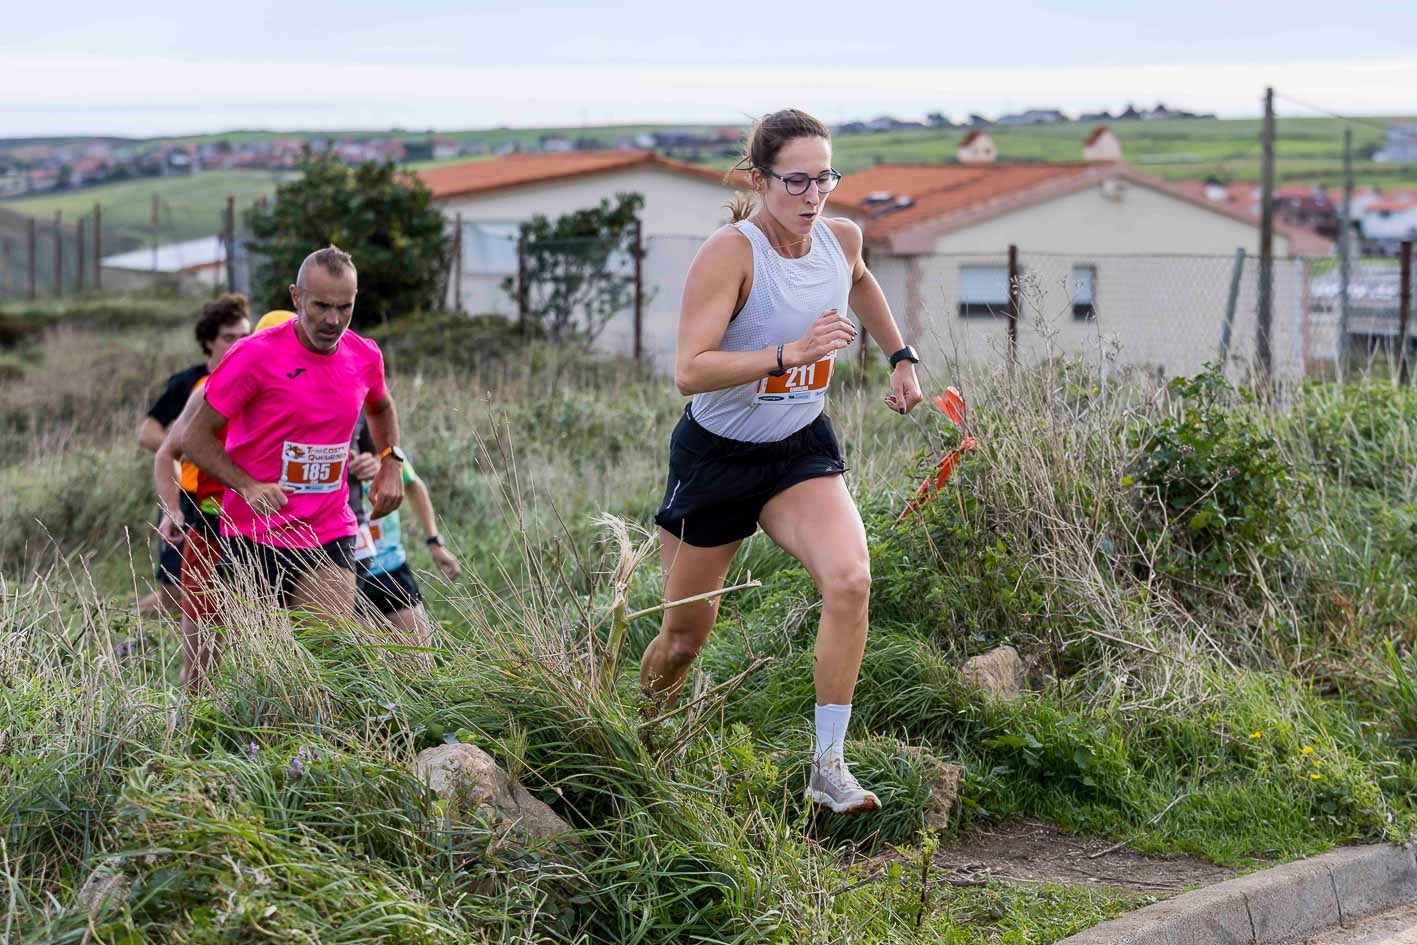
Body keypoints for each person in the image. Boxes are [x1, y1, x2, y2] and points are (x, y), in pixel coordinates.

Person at [639, 109, 924, 816]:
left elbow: (860, 279)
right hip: (717, 459)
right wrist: (788, 354)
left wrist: (900, 356)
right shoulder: (730, 253)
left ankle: (827, 764)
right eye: (794, 180)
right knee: (682, 639)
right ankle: (639, 744)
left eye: (822, 177)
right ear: (760, 179)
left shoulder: (840, 238)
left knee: (850, 579)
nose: (811, 194)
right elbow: (690, 370)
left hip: (797, 448)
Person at [180, 247, 405, 619]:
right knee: (262, 668)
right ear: (296, 297)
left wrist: (391, 461)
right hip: (253, 533)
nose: (333, 320)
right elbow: (194, 438)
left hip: (329, 529)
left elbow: (381, 406)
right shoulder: (253, 356)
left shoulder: (364, 356)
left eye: (345, 307)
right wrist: (248, 485)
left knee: (327, 653)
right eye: (321, 306)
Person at [153, 309, 292, 689]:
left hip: (280, 539)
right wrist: (173, 511)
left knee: (275, 657)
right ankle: (193, 740)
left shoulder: (305, 392)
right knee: (200, 665)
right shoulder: (212, 390)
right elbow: (166, 452)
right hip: (210, 533)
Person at [135, 294, 251, 617]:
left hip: (233, 497)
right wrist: (194, 449)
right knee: (174, 597)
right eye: (229, 338)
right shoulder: (190, 383)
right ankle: (116, 621)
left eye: (246, 336)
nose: (239, 344)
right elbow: (147, 434)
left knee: (213, 596)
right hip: (188, 496)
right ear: (208, 342)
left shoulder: (254, 378)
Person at [351, 421, 462, 646]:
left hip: (391, 567)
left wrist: (434, 542)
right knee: (366, 666)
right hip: (345, 574)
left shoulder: (389, 457)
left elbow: (414, 486)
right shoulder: (324, 449)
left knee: (421, 658)